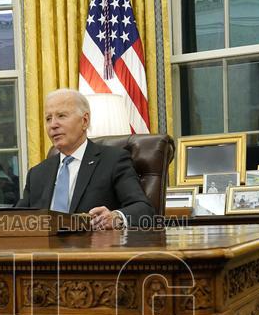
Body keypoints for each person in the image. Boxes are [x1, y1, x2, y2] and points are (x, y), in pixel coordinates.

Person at [14, 89, 154, 229]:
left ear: (85, 121)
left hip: (91, 248)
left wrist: (116, 217)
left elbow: (144, 209)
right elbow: (15, 219)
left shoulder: (113, 160)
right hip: (44, 249)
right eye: (48, 119)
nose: (53, 125)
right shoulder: (37, 173)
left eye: (61, 116)